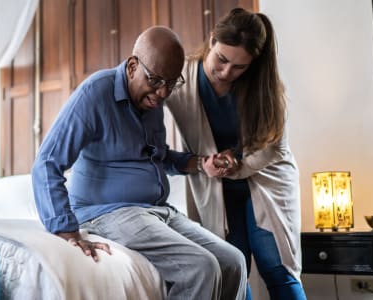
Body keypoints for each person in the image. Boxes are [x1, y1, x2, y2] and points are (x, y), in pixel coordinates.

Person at [31, 25, 247, 299]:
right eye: (156, 80)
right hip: (108, 212)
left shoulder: (151, 104)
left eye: (171, 84)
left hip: (158, 210)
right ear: (133, 66)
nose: (162, 93)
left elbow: (159, 156)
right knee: (201, 268)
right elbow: (47, 162)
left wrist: (200, 163)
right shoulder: (95, 94)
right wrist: (65, 230)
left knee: (233, 261)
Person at [165, 7, 306, 300]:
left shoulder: (264, 87)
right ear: (212, 39)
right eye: (222, 59)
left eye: (239, 67)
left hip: (266, 179)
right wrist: (204, 164)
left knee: (277, 267)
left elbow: (275, 147)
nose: (226, 72)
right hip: (215, 185)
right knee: (232, 269)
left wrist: (237, 164)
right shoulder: (180, 79)